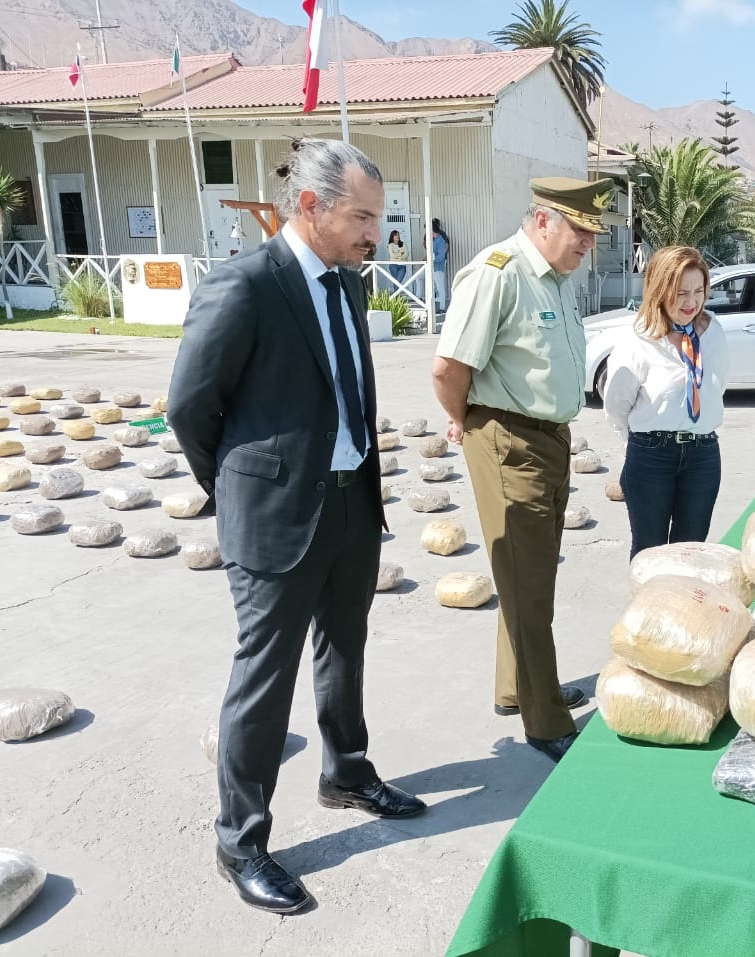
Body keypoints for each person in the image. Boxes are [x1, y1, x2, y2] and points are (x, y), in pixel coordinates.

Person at [168, 138, 427, 916]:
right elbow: (189, 406)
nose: (373, 233)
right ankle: (240, 839)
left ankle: (345, 771)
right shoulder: (245, 285)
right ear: (310, 206)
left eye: (377, 218)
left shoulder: (347, 285)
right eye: (361, 216)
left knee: (344, 646)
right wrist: (238, 487)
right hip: (277, 515)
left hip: (350, 503)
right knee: (264, 677)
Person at [431, 176, 615, 763]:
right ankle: (545, 721)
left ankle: (516, 686)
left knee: (527, 574)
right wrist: (465, 423)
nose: (588, 243)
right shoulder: (499, 273)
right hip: (509, 439)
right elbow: (448, 368)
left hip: (548, 438)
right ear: (543, 221)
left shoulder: (555, 280)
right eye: (580, 231)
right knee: (529, 582)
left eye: (593, 233)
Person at [603, 245, 730, 558]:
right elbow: (616, 404)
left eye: (698, 291)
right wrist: (634, 442)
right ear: (660, 290)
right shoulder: (639, 339)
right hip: (651, 456)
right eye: (681, 292)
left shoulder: (714, 333)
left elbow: (717, 387)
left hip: (703, 455)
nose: (691, 302)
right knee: (650, 551)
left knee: (690, 551)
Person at [429, 218, 450, 312]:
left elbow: (441, 255)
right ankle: (437, 305)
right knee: (436, 286)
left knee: (440, 286)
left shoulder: (440, 240)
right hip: (433, 267)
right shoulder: (434, 240)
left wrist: (432, 259)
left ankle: (442, 307)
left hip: (438, 267)